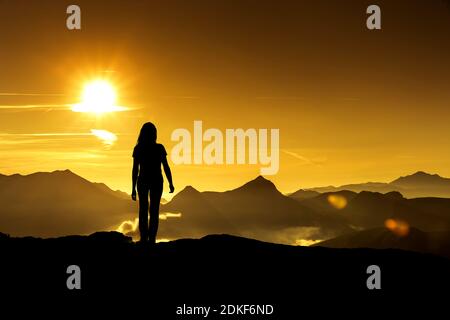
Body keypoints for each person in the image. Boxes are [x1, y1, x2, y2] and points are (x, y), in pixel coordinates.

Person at [131, 122, 174, 244]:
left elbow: (135, 169)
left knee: (143, 209)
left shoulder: (138, 148)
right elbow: (166, 166)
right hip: (156, 181)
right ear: (154, 134)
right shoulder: (159, 148)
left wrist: (133, 188)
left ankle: (144, 238)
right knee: (154, 210)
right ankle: (152, 239)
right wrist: (170, 182)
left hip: (143, 180)